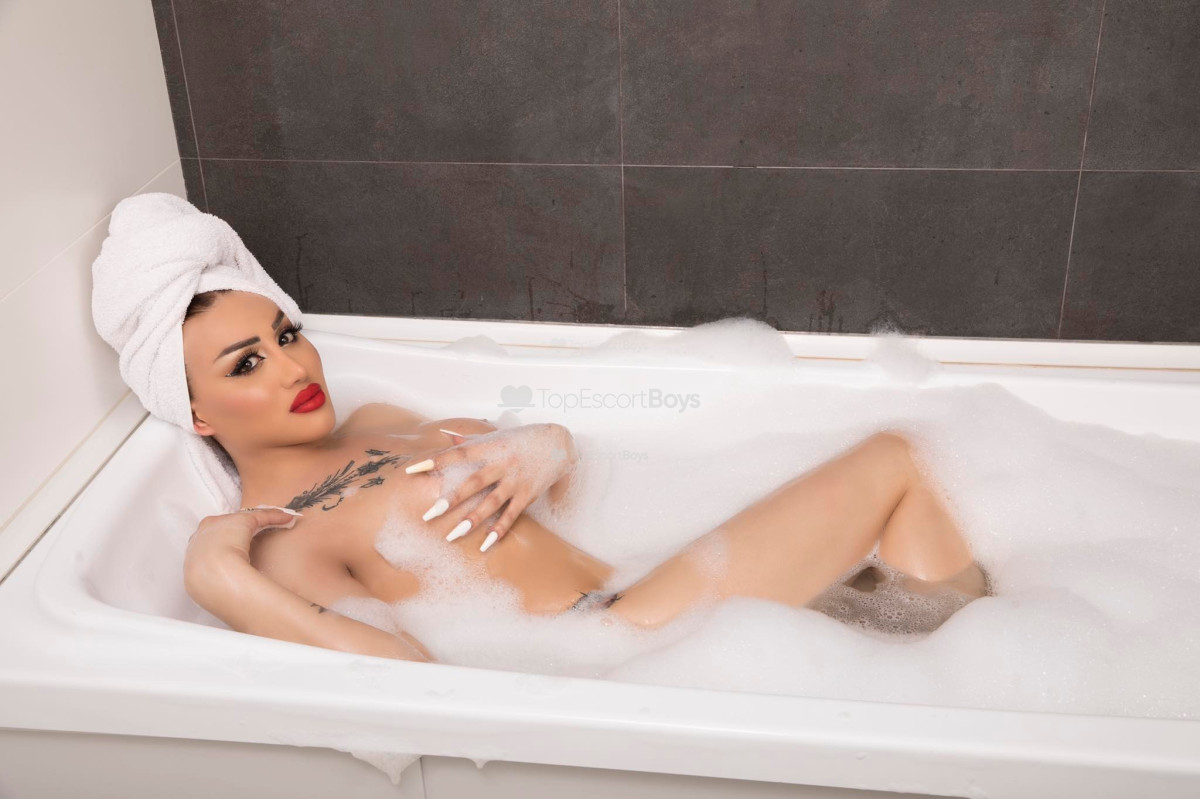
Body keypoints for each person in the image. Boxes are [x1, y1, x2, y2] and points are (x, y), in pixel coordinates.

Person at [183, 289, 991, 664]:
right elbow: (401, 677)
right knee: (898, 459)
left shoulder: (378, 419)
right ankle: (963, 667)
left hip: (644, 581)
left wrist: (552, 445)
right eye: (247, 363)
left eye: (286, 333)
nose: (293, 366)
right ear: (198, 416)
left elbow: (554, 491)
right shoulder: (278, 538)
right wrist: (220, 578)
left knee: (907, 493)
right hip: (616, 634)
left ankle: (948, 657)